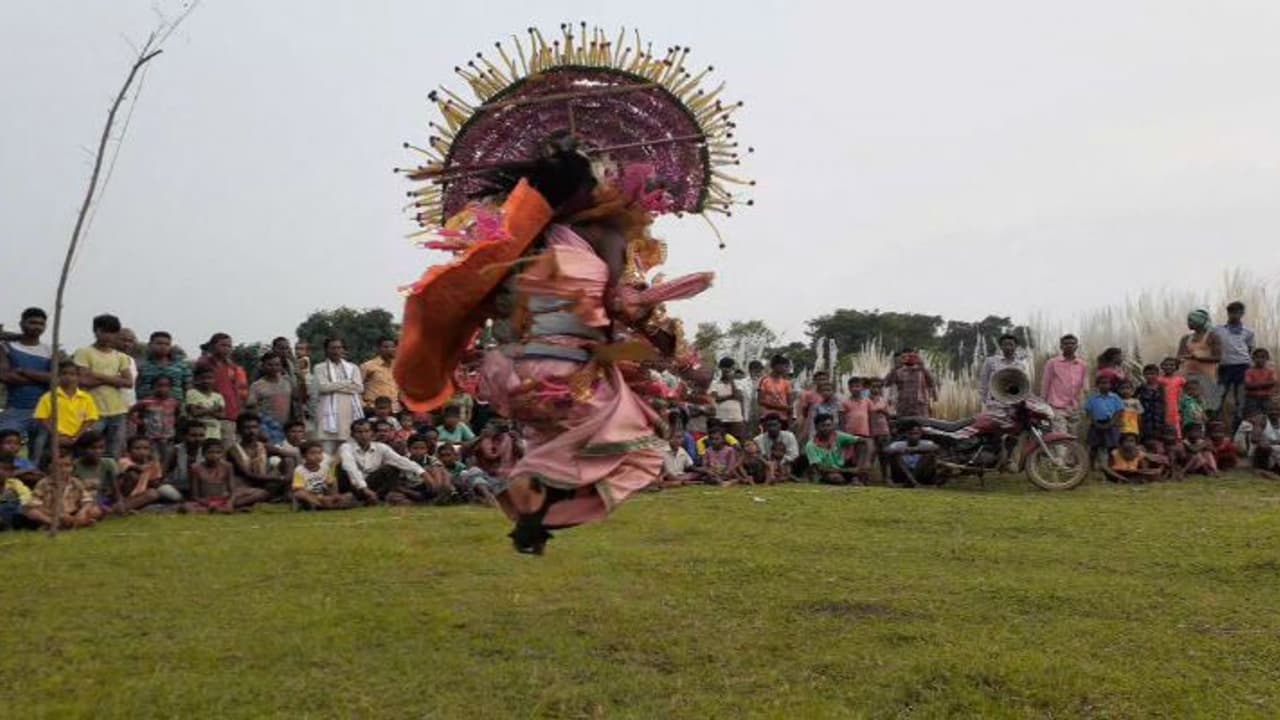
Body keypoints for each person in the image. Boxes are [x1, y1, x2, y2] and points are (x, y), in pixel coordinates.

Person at [73, 314, 133, 458]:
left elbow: (128, 382)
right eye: (105, 331)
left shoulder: (121, 357)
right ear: (96, 331)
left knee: (114, 452)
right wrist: (115, 380)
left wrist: (97, 375)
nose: (108, 336)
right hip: (92, 411)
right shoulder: (84, 352)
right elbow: (83, 381)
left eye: (113, 332)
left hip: (118, 411)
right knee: (88, 450)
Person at [0, 308, 52, 465]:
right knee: (6, 448)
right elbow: (5, 376)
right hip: (16, 408)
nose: (37, 327)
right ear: (22, 324)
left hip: (43, 411)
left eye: (41, 324)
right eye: (32, 322)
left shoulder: (49, 350)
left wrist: (23, 372)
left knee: (40, 453)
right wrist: (41, 378)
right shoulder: (6, 347)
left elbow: (55, 379)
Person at [336, 419, 432, 504]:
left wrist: (423, 473)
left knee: (391, 468)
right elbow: (351, 469)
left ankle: (375, 498)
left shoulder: (381, 447)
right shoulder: (346, 447)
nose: (363, 435)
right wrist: (364, 489)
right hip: (354, 486)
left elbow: (400, 460)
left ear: (372, 433)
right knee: (342, 467)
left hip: (371, 484)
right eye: (359, 432)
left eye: (366, 431)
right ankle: (359, 498)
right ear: (353, 435)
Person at [34, 360, 100, 459]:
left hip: (79, 437)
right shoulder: (49, 396)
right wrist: (57, 435)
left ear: (78, 377)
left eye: (72, 374)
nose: (68, 377)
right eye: (64, 373)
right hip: (55, 437)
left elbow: (90, 419)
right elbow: (42, 418)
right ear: (58, 376)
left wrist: (76, 436)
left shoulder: (86, 397)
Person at [312, 338, 364, 455]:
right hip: (327, 419)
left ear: (343, 350)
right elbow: (323, 388)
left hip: (348, 416)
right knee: (326, 457)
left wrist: (333, 386)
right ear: (326, 350)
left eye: (339, 348)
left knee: (347, 457)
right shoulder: (319, 367)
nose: (336, 351)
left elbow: (359, 388)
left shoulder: (352, 368)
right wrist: (347, 382)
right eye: (333, 348)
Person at [24, 455, 102, 529]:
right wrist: (57, 515)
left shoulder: (75, 482)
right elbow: (34, 504)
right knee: (32, 512)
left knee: (95, 510)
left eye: (67, 466)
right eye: (59, 466)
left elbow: (87, 500)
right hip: (51, 513)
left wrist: (82, 512)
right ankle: (56, 524)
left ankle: (74, 523)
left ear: (72, 467)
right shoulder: (43, 483)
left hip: (72, 512)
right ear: (50, 467)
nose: (63, 469)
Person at [197, 333, 249, 443]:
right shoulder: (204, 364)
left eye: (229, 346)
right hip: (209, 414)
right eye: (223, 345)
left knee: (227, 445)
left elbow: (238, 390)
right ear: (213, 346)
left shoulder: (233, 367)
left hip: (229, 413)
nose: (227, 349)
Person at [226, 414, 290, 500]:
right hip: (243, 486)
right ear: (239, 430)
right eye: (247, 428)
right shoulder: (234, 450)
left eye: (254, 427)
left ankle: (283, 494)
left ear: (259, 429)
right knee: (262, 493)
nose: (251, 431)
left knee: (288, 460)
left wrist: (289, 475)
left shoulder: (264, 446)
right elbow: (248, 475)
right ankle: (235, 504)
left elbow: (291, 455)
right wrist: (280, 478)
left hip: (263, 484)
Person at [1177, 308, 1224, 416]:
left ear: (1201, 321)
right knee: (1188, 404)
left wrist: (1199, 359)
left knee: (1207, 405)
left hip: (1206, 376)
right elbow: (1179, 356)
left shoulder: (1212, 336)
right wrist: (1180, 360)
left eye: (1192, 320)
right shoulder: (1186, 338)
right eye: (1189, 320)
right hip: (1187, 375)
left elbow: (1218, 357)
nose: (1189, 323)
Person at [117, 436, 181, 511]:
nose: (142, 452)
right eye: (137, 448)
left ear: (150, 450)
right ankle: (121, 507)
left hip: (140, 495)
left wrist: (156, 466)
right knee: (133, 475)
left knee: (155, 493)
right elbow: (138, 469)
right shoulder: (124, 461)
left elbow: (154, 483)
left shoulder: (152, 463)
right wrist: (152, 463)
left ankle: (133, 507)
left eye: (146, 448)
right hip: (123, 496)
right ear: (128, 451)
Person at [1215, 301, 1255, 422]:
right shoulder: (1219, 330)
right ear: (1228, 313)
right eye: (1231, 312)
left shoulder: (1248, 332)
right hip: (1225, 366)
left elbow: (1249, 348)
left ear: (1242, 314)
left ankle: (1240, 422)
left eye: (1237, 312)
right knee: (1219, 395)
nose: (1234, 315)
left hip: (1242, 366)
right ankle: (1215, 421)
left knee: (1241, 397)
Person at [1041, 334, 1088, 434]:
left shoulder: (1082, 364)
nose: (1069, 345)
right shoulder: (1052, 363)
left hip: (1075, 407)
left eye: (1072, 343)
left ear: (1077, 346)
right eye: (1066, 343)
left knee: (1073, 440)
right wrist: (1043, 404)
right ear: (1061, 346)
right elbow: (1045, 384)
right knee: (1060, 439)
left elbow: (1085, 386)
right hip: (1057, 407)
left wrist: (1084, 406)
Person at [291, 441, 357, 510]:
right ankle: (322, 505)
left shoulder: (325, 468)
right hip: (311, 496)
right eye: (312, 453)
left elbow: (330, 484)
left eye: (319, 453)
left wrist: (331, 491)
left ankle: (327, 504)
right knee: (299, 493)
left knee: (347, 494)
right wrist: (319, 498)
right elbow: (298, 488)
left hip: (325, 496)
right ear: (303, 455)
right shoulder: (299, 470)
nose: (317, 456)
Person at [129, 375, 179, 464]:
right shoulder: (146, 402)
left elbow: (177, 415)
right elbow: (131, 412)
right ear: (153, 387)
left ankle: (163, 476)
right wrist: (140, 422)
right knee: (153, 460)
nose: (163, 389)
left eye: (166, 386)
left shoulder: (174, 402)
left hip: (168, 438)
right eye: (159, 385)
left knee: (167, 460)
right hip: (151, 438)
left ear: (171, 388)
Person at [136, 331, 193, 407]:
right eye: (159, 343)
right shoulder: (141, 365)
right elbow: (137, 386)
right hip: (148, 408)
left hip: (175, 408)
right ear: (150, 345)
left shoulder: (182, 365)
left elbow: (188, 387)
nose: (163, 347)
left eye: (167, 344)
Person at [248, 352, 294, 445]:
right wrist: (260, 430)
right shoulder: (257, 386)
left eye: (277, 365)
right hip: (267, 428)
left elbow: (296, 401)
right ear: (263, 366)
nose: (274, 368)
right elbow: (251, 408)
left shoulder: (287, 381)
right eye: (270, 365)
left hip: (286, 428)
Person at [804, 413, 862, 484]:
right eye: (823, 426)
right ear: (816, 427)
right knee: (836, 478)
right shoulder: (811, 445)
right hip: (827, 473)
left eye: (829, 425)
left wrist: (865, 463)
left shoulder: (837, 435)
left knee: (863, 447)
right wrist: (849, 470)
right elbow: (821, 469)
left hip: (843, 467)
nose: (826, 428)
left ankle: (855, 479)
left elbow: (865, 441)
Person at [72, 432, 121, 513]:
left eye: (101, 447)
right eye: (93, 448)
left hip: (105, 499)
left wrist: (119, 502)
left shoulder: (109, 463)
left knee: (148, 495)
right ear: (82, 449)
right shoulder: (75, 466)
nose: (97, 451)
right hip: (85, 501)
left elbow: (116, 490)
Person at [184, 440, 237, 513]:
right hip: (204, 502)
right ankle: (216, 509)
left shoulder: (228, 466)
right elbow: (194, 495)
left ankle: (218, 509)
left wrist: (230, 502)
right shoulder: (196, 468)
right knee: (187, 507)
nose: (214, 455)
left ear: (222, 454)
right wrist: (208, 503)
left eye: (218, 452)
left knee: (255, 493)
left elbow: (232, 491)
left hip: (223, 500)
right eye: (210, 452)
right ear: (203, 454)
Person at [1084, 375, 1124, 470]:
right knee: (1094, 447)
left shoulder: (1115, 397)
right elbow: (1089, 412)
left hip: (1111, 424)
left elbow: (1119, 411)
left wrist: (1111, 422)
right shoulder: (1092, 398)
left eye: (1107, 383)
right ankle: (1091, 467)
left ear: (1110, 385)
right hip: (1096, 424)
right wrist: (1094, 422)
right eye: (1102, 383)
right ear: (1097, 385)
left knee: (1112, 447)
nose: (1104, 385)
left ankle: (1112, 467)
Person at [979, 333, 1031, 405]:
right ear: (1000, 346)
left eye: (1011, 344)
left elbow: (1024, 384)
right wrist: (985, 400)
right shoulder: (990, 361)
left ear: (1016, 346)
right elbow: (984, 382)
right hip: (994, 403)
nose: (1008, 347)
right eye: (1005, 344)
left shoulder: (1021, 364)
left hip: (1014, 403)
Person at [885, 422, 940, 487]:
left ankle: (910, 482)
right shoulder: (898, 444)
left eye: (916, 433)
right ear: (906, 434)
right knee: (895, 455)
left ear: (921, 434)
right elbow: (887, 450)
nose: (913, 436)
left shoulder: (926, 443)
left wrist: (915, 449)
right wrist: (903, 450)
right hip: (903, 473)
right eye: (910, 434)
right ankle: (913, 482)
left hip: (921, 473)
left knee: (930, 455)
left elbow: (936, 447)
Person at [886, 349, 937, 419]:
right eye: (905, 357)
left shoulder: (921, 372)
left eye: (912, 356)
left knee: (921, 427)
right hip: (904, 408)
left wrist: (923, 366)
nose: (908, 358)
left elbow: (931, 383)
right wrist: (895, 367)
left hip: (919, 408)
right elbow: (886, 383)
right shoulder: (898, 372)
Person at [164, 420, 206, 500]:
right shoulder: (175, 450)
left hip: (202, 487)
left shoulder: (208, 450)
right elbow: (163, 472)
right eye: (193, 435)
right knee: (165, 490)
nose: (198, 439)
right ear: (184, 436)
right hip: (179, 487)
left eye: (201, 435)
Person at [709, 357, 748, 440]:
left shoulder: (739, 383)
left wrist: (732, 380)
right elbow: (716, 399)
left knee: (738, 443)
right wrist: (730, 396)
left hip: (736, 418)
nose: (726, 371)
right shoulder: (714, 383)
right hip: (720, 419)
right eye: (724, 369)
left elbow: (738, 396)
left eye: (729, 369)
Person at [184, 367, 227, 442]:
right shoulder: (192, 393)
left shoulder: (218, 396)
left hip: (215, 433)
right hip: (197, 434)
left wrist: (202, 409)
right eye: (203, 378)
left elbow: (222, 415)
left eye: (210, 378)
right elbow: (195, 413)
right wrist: (213, 409)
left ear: (214, 380)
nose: (206, 381)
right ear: (197, 379)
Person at [361, 337, 401, 412]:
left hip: (395, 409)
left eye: (392, 347)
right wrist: (364, 405)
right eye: (386, 347)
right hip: (373, 409)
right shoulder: (367, 366)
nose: (390, 349)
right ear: (378, 348)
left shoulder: (398, 367)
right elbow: (358, 388)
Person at [757, 355, 795, 427]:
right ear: (776, 366)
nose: (786, 369)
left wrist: (790, 420)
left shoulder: (786, 382)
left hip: (783, 418)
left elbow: (790, 404)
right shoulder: (764, 380)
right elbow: (760, 400)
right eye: (784, 366)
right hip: (768, 418)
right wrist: (779, 407)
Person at [1157, 358, 1187, 440]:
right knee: (1164, 422)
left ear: (1176, 367)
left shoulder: (1180, 380)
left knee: (1176, 423)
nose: (1169, 367)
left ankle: (1177, 439)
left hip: (1175, 406)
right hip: (1163, 405)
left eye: (1171, 365)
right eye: (1166, 365)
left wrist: (1181, 405)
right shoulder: (1159, 379)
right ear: (1162, 366)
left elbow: (1184, 392)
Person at [1243, 348, 1275, 421]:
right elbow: (1248, 385)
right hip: (1252, 399)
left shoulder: (1270, 371)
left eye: (1263, 357)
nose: (1260, 359)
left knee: (1267, 417)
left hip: (1266, 398)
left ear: (1267, 359)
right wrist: (1265, 384)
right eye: (1257, 357)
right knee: (1254, 418)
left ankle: (1268, 431)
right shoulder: (1249, 371)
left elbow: (1273, 383)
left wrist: (1255, 385)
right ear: (1253, 359)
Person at [1136, 364, 1166, 441]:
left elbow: (1164, 402)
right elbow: (1135, 401)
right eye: (1147, 374)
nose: (1150, 376)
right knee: (1146, 437)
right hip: (1146, 417)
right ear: (1144, 375)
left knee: (1158, 437)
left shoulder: (1161, 388)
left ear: (1157, 375)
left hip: (1158, 417)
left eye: (1152, 374)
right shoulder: (1141, 388)